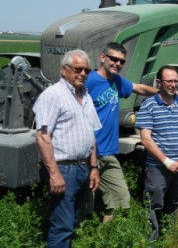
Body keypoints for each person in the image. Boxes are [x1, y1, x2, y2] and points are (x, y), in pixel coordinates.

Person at [33, 49, 101, 248]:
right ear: (64, 70)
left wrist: (94, 167)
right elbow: (43, 136)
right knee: (62, 226)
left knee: (72, 221)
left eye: (87, 71)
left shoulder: (85, 96)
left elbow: (91, 134)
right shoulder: (53, 95)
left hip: (83, 168)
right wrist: (54, 173)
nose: (83, 74)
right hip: (64, 169)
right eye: (78, 69)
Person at [85, 42, 158, 222]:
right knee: (83, 206)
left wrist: (162, 93)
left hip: (108, 153)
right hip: (88, 153)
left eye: (121, 61)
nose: (117, 63)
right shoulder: (90, 81)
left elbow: (138, 88)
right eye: (113, 59)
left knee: (120, 202)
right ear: (103, 58)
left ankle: (106, 239)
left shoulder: (116, 81)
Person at [135, 65, 178, 240]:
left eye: (176, 81)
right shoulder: (149, 105)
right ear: (159, 82)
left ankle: (175, 240)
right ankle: (151, 241)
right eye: (169, 81)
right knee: (153, 205)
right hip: (158, 167)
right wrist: (166, 161)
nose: (173, 85)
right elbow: (146, 138)